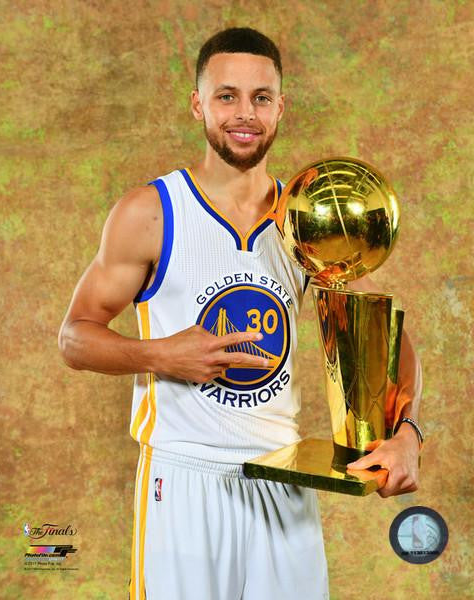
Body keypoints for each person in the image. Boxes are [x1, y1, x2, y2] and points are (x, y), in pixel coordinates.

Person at [58, 27, 422, 600]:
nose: (244, 113)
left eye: (260, 97)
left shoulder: (308, 216)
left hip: (282, 481)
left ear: (281, 107)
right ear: (198, 104)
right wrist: (159, 354)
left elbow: (386, 337)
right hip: (182, 480)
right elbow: (74, 339)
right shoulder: (152, 212)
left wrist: (407, 433)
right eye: (226, 96)